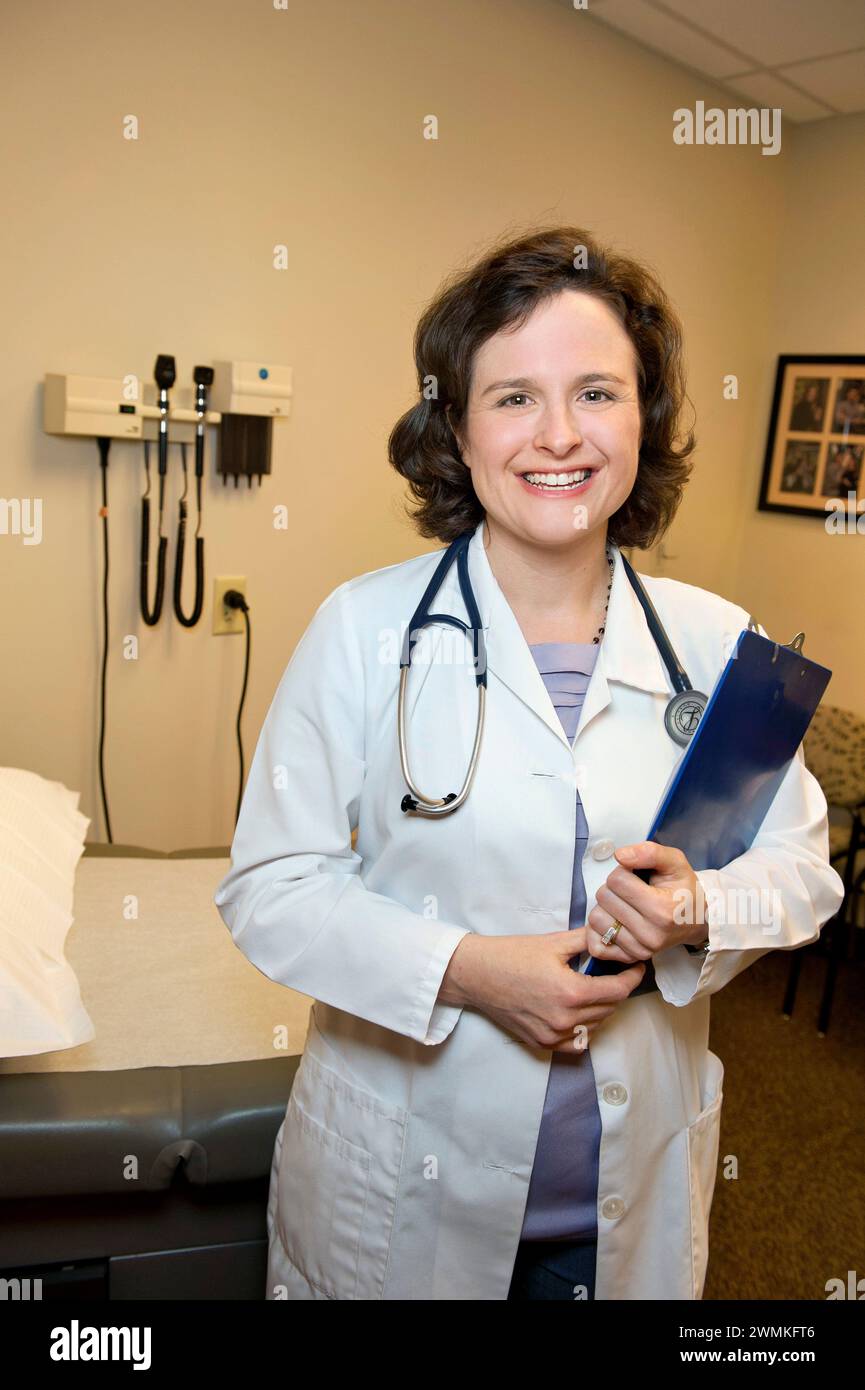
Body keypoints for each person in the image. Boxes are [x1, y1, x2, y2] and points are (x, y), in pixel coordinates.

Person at [213, 226, 844, 1301]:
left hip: (620, 1206)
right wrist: (468, 970)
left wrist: (695, 906)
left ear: (643, 419)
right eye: (512, 397)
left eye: (597, 391)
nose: (559, 435)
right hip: (402, 1204)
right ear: (455, 429)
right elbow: (269, 887)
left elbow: (802, 869)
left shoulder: (716, 642)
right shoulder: (361, 628)